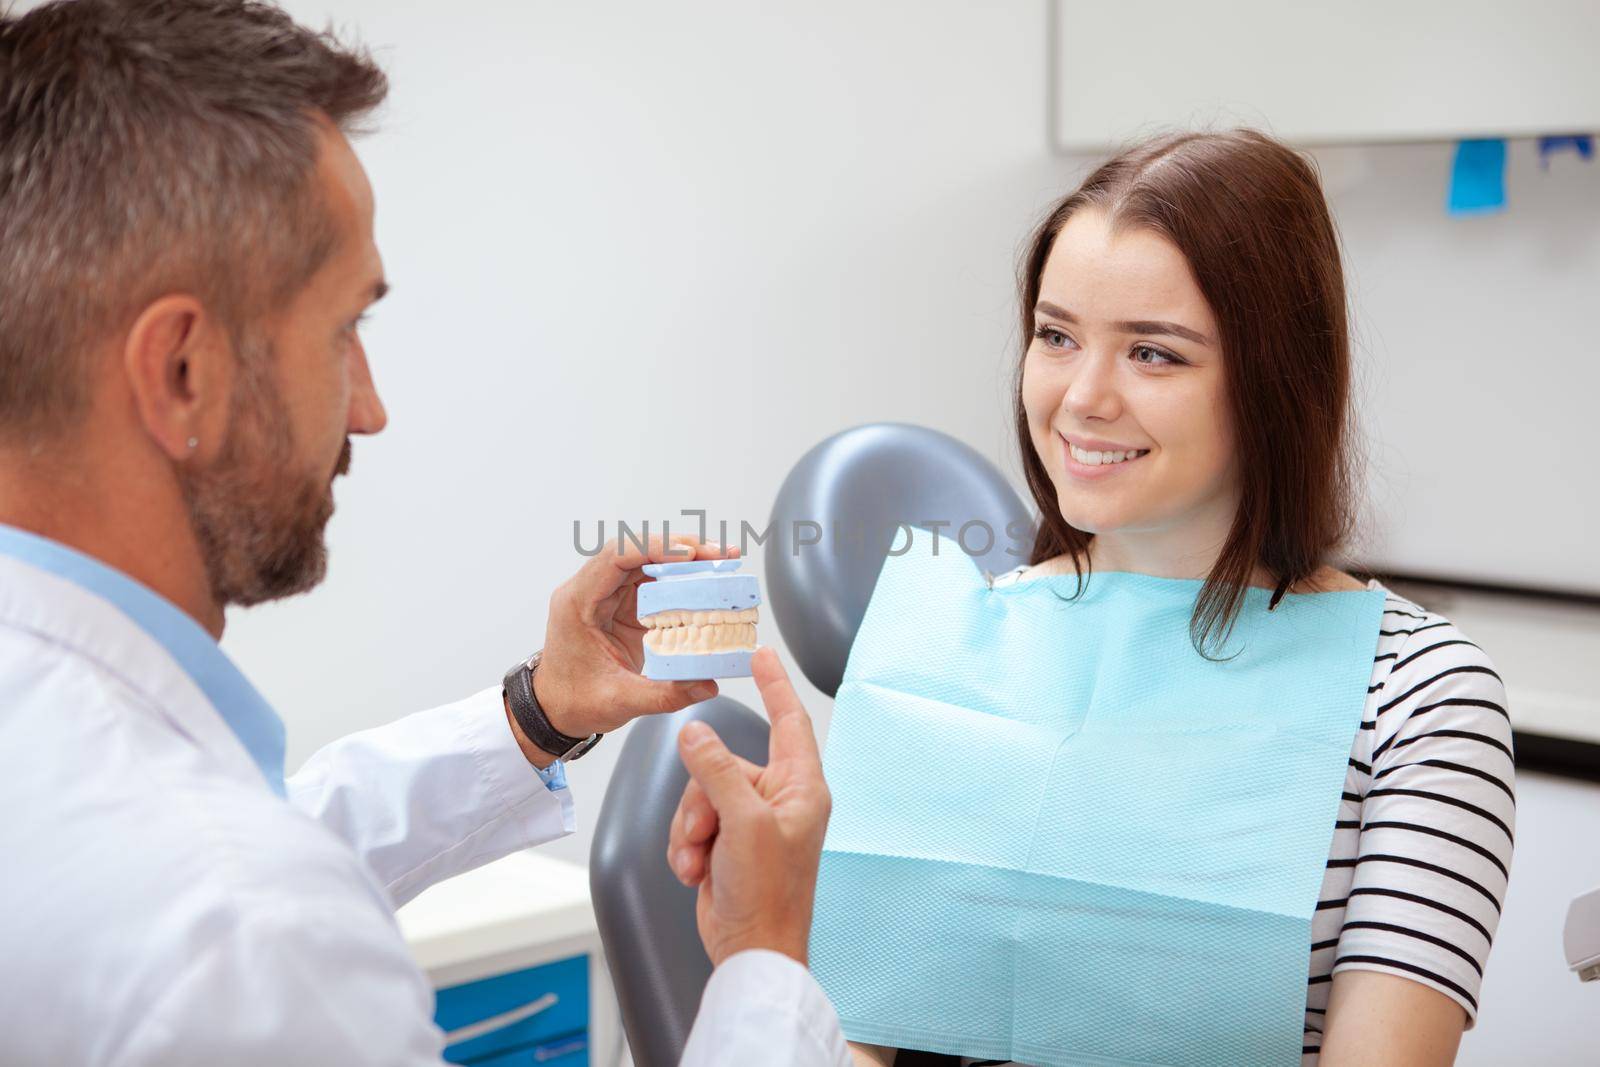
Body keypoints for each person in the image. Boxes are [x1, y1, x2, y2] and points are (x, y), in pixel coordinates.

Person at [0, 2, 847, 1064]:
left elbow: (218, 850)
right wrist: (766, 959)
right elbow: (233, 907)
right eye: (346, 328)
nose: (369, 406)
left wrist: (536, 711)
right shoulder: (246, 936)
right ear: (183, 370)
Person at [829, 130, 1514, 1066]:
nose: (1083, 397)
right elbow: (863, 1029)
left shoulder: (1420, 698)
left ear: (1277, 383)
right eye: (1056, 336)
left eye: (1153, 354)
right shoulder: (953, 652)